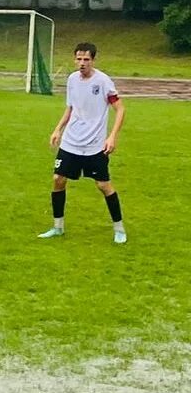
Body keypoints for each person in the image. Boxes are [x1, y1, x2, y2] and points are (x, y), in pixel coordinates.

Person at [38, 42, 127, 244]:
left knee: (103, 185)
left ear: (93, 60)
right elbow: (71, 108)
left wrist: (112, 136)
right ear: (74, 59)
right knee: (58, 180)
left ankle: (119, 229)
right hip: (71, 142)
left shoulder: (103, 81)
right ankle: (57, 227)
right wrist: (57, 129)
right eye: (78, 59)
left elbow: (120, 109)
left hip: (95, 145)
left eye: (86, 59)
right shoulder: (72, 80)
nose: (82, 63)